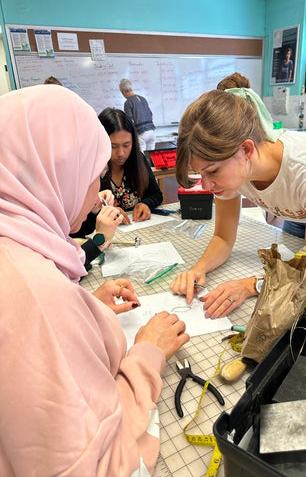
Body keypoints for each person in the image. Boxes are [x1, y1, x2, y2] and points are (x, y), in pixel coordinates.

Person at [0, 84, 189, 475]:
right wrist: (147, 353)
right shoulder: (34, 292)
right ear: (56, 172)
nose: (97, 195)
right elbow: (97, 464)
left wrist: (83, 311)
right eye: (93, 176)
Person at [170, 87, 306, 319]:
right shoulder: (232, 170)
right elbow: (223, 238)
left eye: (212, 172)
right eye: (201, 174)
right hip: (299, 215)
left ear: (246, 149)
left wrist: (250, 285)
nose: (207, 186)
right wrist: (198, 268)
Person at [99, 107, 163, 223]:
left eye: (126, 145)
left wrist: (145, 203)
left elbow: (156, 194)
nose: (121, 153)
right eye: (113, 146)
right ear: (100, 142)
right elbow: (82, 214)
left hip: (136, 228)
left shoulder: (138, 160)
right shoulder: (93, 169)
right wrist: (107, 212)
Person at [119, 78, 156, 152]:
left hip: (141, 133)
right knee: (151, 158)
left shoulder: (128, 102)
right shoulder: (143, 99)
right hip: (152, 132)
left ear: (123, 91)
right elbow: (151, 114)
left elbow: (130, 121)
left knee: (141, 158)